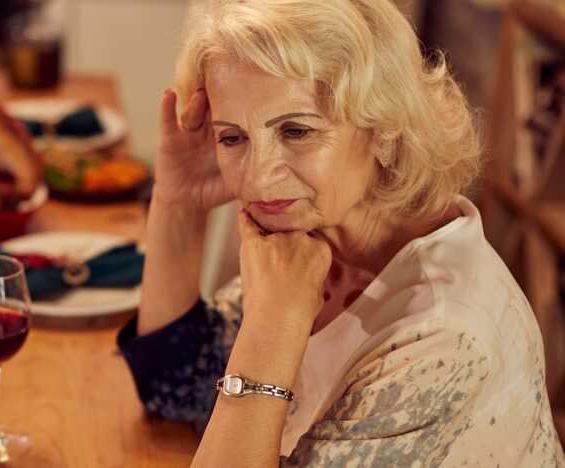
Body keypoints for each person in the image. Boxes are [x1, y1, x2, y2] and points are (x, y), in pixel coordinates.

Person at [117, 0, 565, 465]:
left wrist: (274, 322)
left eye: (297, 131)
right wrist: (178, 203)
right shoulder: (314, 240)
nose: (256, 178)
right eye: (233, 137)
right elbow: (177, 386)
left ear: (385, 127)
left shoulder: (446, 336)